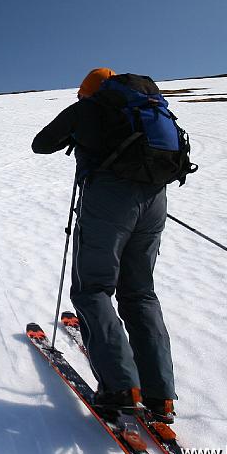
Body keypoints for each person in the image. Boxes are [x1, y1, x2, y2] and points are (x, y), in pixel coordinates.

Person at [31, 67, 177, 423]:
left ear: (87, 91)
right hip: (155, 201)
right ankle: (160, 396)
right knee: (140, 293)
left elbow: (41, 144)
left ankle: (120, 388)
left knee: (93, 289)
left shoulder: (89, 108)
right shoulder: (147, 110)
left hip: (109, 202)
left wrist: (79, 128)